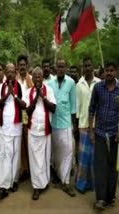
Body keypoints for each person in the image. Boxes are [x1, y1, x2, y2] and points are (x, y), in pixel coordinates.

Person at [89, 62, 119, 210]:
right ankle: (100, 199)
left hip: (114, 135)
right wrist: (91, 131)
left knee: (112, 167)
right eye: (107, 70)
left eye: (112, 70)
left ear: (116, 72)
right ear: (104, 72)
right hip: (99, 133)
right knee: (100, 167)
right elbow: (91, 109)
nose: (109, 73)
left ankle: (110, 196)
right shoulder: (98, 88)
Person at [0, 63, 26, 200]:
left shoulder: (20, 86)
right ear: (5, 73)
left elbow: (24, 105)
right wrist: (7, 95)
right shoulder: (1, 87)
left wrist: (15, 95)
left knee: (15, 155)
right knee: (5, 155)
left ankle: (14, 181)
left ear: (16, 72)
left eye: (13, 71)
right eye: (8, 72)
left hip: (17, 126)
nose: (10, 74)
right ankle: (3, 186)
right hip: (5, 128)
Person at [24, 67, 56, 200]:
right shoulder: (28, 92)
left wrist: (43, 97)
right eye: (35, 77)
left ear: (43, 78)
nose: (37, 79)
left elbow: (53, 108)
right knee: (34, 159)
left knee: (44, 158)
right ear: (32, 78)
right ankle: (36, 187)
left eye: (39, 76)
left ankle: (44, 182)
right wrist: (36, 96)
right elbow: (27, 110)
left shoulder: (48, 90)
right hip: (33, 130)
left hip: (45, 130)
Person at [47, 58, 77, 197]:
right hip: (53, 124)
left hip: (66, 125)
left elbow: (73, 106)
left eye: (63, 66)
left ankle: (65, 182)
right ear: (55, 68)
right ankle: (58, 176)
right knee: (56, 154)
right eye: (58, 66)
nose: (60, 68)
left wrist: (73, 126)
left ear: (65, 68)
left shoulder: (71, 83)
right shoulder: (49, 83)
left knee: (68, 152)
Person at [75, 57, 100, 194]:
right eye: (85, 66)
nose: (87, 68)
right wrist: (76, 127)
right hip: (84, 125)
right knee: (83, 157)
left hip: (97, 125)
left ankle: (94, 184)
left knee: (94, 157)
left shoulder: (99, 83)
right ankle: (81, 184)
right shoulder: (79, 85)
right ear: (82, 68)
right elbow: (77, 107)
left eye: (89, 65)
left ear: (93, 66)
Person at [16, 55, 33, 181]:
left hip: (28, 114)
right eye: (20, 65)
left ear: (27, 66)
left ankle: (32, 168)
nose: (22, 67)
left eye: (24, 65)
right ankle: (23, 169)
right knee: (20, 142)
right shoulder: (13, 80)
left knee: (29, 141)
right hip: (16, 114)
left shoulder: (31, 80)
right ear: (18, 66)